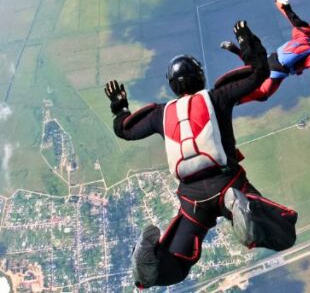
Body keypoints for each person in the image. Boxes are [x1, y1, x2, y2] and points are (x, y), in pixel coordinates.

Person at [104, 21, 298, 289]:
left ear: (173, 85)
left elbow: (126, 131)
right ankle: (246, 214)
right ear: (199, 76)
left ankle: (151, 269)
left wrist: (119, 108)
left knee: (177, 263)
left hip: (192, 199)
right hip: (228, 185)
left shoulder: (160, 114)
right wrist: (247, 41)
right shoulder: (218, 97)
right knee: (283, 232)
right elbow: (259, 74)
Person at [220, 0, 310, 103]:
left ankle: (238, 47)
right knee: (263, 94)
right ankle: (238, 99)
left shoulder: (301, 36)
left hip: (271, 58)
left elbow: (296, 24)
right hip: (277, 70)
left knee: (253, 65)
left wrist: (287, 9)